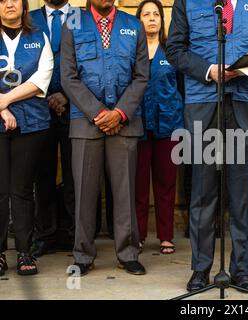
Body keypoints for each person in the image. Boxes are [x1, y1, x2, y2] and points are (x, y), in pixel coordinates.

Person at [166, 0, 248, 292]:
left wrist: (243, 69)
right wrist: (209, 70)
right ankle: (200, 268)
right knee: (203, 190)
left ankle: (241, 269)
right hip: (203, 102)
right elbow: (175, 50)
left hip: (245, 101)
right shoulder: (187, 2)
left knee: (241, 192)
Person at [60, 0, 149, 276]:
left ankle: (128, 253)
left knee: (125, 192)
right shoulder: (72, 22)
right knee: (85, 192)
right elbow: (68, 76)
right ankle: (83, 255)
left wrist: (120, 112)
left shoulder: (133, 25)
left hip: (125, 121)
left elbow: (142, 76)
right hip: (86, 122)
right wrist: (98, 112)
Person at [0, 0, 53, 276]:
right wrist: (3, 108)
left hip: (32, 124)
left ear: (23, 5)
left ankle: (24, 251)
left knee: (21, 189)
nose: (9, 4)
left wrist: (4, 100)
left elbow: (41, 79)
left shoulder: (38, 37)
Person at [135, 0, 183, 254]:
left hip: (169, 126)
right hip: (138, 126)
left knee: (166, 184)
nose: (152, 18)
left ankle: (166, 236)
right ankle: (139, 234)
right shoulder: (133, 51)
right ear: (138, 20)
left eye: (156, 14)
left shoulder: (172, 52)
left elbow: (183, 88)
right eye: (146, 14)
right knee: (139, 185)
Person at [29, 0, 75, 258]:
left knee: (74, 174)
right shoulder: (30, 18)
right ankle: (44, 234)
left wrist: (67, 96)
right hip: (37, 106)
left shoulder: (82, 18)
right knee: (42, 174)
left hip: (76, 107)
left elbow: (89, 63)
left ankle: (72, 233)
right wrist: (44, 94)